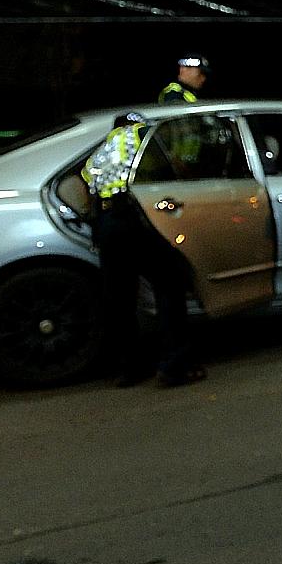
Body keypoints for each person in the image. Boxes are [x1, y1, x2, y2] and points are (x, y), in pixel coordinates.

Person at [82, 112, 206, 387]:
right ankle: (175, 367)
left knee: (120, 300)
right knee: (169, 288)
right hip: (138, 220)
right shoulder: (142, 137)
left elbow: (87, 185)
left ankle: (130, 369)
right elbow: (173, 167)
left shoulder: (101, 151)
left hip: (107, 223)